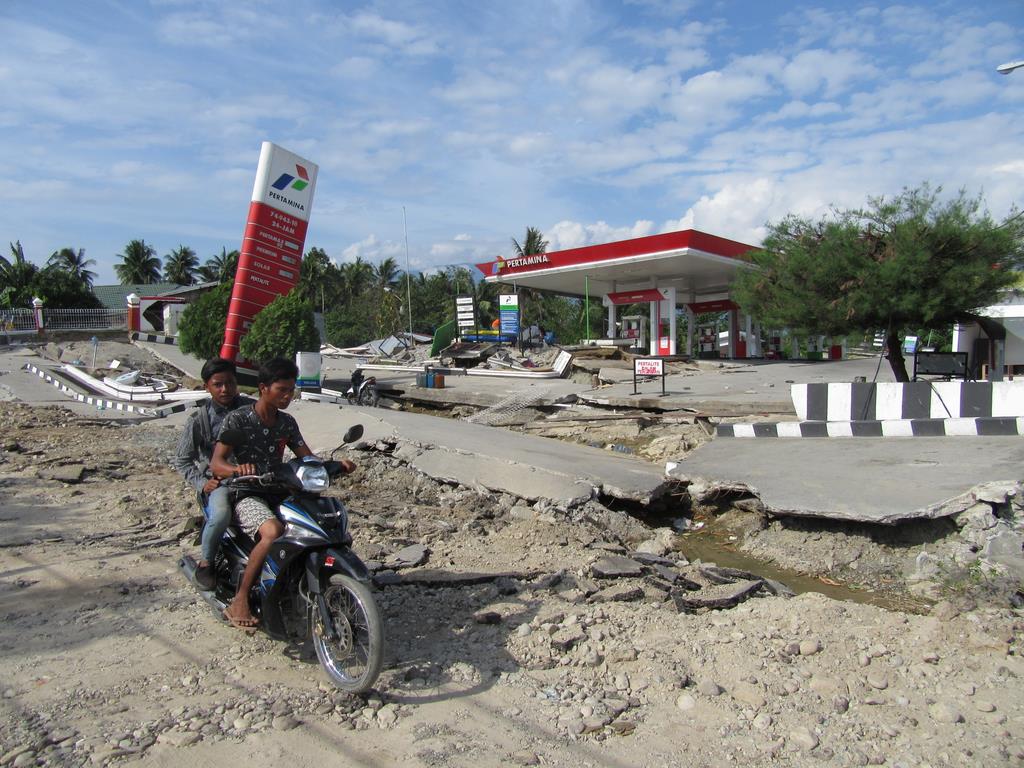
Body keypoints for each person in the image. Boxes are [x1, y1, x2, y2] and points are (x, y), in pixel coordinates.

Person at [210, 357, 340, 629]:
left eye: (291, 390)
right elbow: (217, 463)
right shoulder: (239, 419)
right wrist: (237, 470)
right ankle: (241, 599)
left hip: (280, 491)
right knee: (272, 532)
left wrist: (333, 465)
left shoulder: (287, 423)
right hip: (246, 492)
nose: (287, 396)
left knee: (314, 526)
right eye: (281, 390)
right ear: (263, 388)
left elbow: (306, 456)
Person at [172, 357, 254, 590]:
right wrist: (202, 483)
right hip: (220, 483)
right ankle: (206, 563)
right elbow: (182, 459)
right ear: (207, 386)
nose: (225, 389)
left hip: (254, 478)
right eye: (218, 384)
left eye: (229, 383)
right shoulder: (200, 420)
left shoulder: (252, 409)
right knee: (220, 516)